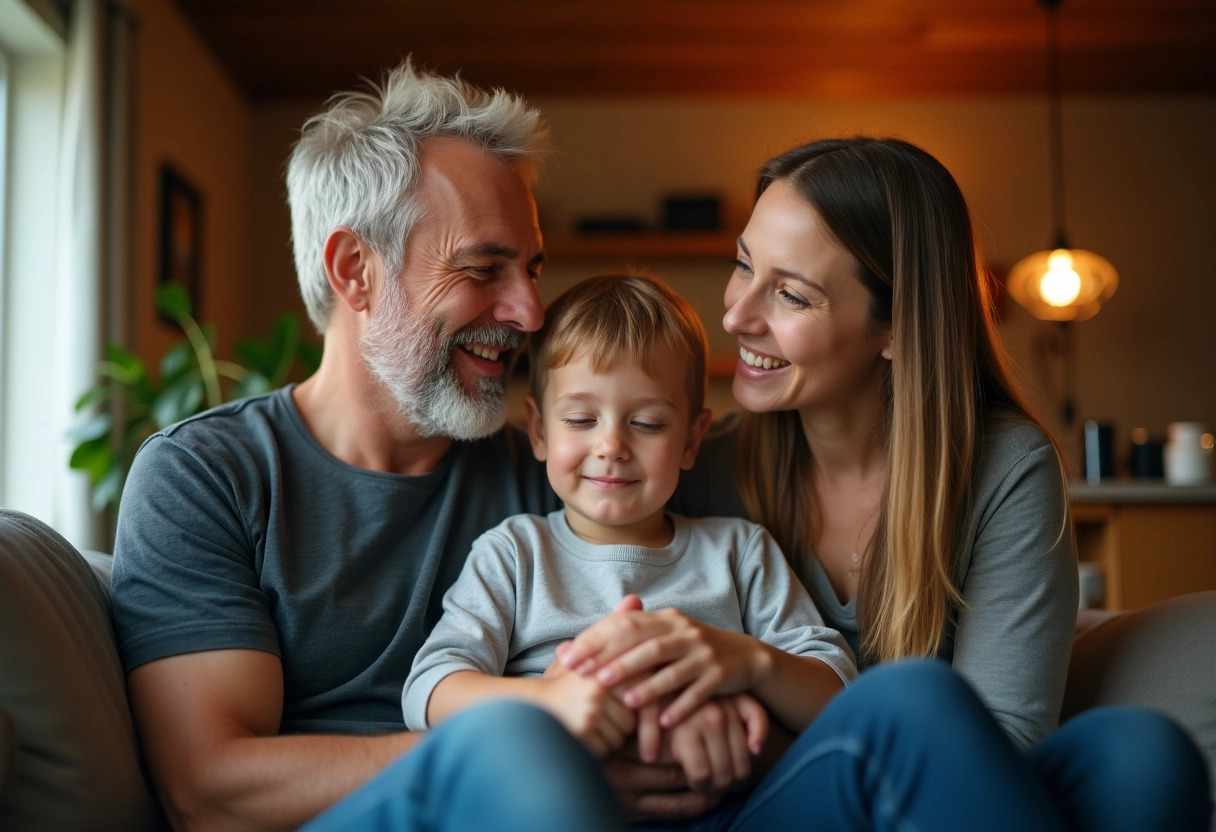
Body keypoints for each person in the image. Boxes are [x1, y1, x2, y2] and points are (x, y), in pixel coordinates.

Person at [554, 137, 1212, 831]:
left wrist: (751, 666)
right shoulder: (691, 466)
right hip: (758, 805)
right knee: (915, 699)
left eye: (789, 294)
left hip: (934, 798)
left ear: (896, 328)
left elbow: (1007, 742)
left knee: (1144, 754)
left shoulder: (1003, 469)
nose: (737, 316)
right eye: (742, 267)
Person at [109, 61, 631, 832]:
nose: (528, 311)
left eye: (531, 269)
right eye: (484, 269)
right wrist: (507, 746)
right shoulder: (207, 476)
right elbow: (211, 790)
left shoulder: (558, 469)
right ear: (356, 270)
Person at [401, 273, 853, 798]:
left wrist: (747, 669)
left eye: (648, 424)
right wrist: (551, 703)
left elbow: (838, 691)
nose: (611, 445)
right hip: (563, 799)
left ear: (692, 440)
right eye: (581, 419)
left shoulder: (738, 551)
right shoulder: (515, 554)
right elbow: (428, 690)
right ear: (540, 431)